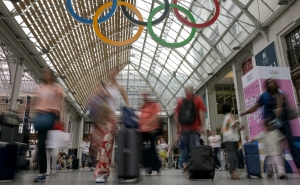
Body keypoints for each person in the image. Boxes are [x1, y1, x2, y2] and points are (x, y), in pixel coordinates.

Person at [241, 78, 300, 174]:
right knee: (275, 145)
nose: (271, 84)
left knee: (290, 143)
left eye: (273, 82)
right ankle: (278, 170)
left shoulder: (281, 94)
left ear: (276, 83)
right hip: (273, 123)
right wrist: (244, 112)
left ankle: (298, 166)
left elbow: (286, 107)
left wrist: (280, 109)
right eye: (269, 83)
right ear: (266, 85)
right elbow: (255, 107)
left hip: (284, 121)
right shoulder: (264, 96)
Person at [92, 67, 129, 183]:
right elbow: (93, 97)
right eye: (111, 71)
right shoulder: (103, 85)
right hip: (102, 116)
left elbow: (127, 104)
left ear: (118, 73)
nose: (112, 73)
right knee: (100, 145)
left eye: (115, 71)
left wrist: (130, 115)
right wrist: (99, 91)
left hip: (112, 117)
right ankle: (102, 170)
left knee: (106, 144)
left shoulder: (119, 88)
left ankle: (103, 173)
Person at [33, 67, 65, 182]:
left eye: (46, 72)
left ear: (51, 75)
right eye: (42, 72)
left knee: (44, 143)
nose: (43, 74)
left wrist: (61, 117)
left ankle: (44, 171)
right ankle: (43, 171)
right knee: (42, 145)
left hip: (50, 116)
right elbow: (36, 103)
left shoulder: (57, 87)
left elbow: (61, 102)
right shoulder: (40, 88)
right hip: (40, 117)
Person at [175, 85, 206, 178]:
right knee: (195, 148)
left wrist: (177, 128)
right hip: (195, 128)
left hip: (184, 129)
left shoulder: (180, 101)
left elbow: (176, 115)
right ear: (193, 90)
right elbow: (201, 113)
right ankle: (195, 168)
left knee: (185, 149)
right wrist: (202, 126)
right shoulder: (198, 99)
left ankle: (187, 169)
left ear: (185, 92)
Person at [139, 92, 162, 175]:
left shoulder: (153, 105)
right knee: (141, 148)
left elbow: (156, 116)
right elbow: (141, 119)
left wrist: (149, 125)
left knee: (152, 149)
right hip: (143, 131)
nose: (143, 97)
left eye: (145, 95)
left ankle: (155, 168)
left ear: (148, 96)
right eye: (142, 95)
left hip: (152, 130)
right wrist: (140, 127)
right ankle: (147, 166)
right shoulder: (142, 107)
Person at [221, 103, 245, 180]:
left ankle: (232, 170)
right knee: (233, 156)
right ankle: (233, 172)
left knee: (234, 156)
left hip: (229, 139)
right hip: (230, 140)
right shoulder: (230, 117)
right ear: (231, 110)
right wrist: (236, 122)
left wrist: (239, 129)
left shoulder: (225, 118)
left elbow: (229, 129)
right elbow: (234, 125)